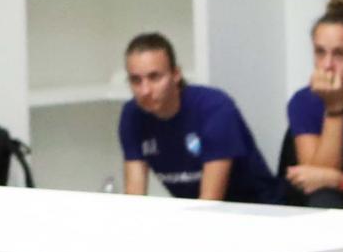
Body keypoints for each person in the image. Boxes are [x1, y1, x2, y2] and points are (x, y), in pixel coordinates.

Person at [116, 33, 277, 204]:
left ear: (176, 74)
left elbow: (210, 202)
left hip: (258, 210)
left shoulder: (214, 108)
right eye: (135, 80)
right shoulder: (132, 115)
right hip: (196, 211)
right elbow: (135, 200)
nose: (145, 90)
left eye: (155, 77)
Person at [284, 0, 343, 208]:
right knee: (324, 199)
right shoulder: (304, 101)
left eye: (339, 54)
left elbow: (327, 179)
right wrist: (334, 110)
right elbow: (315, 185)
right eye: (320, 52)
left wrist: (340, 181)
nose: (327, 65)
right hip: (332, 209)